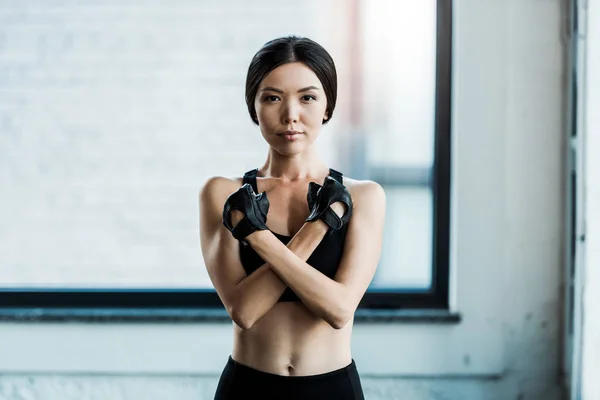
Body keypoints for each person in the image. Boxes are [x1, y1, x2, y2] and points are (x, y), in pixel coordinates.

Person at [199, 35, 386, 400]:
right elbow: (244, 311)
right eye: (272, 97)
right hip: (248, 387)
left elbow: (338, 309)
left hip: (332, 387)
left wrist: (257, 236)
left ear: (327, 106)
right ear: (253, 107)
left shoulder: (364, 196)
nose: (291, 115)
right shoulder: (223, 193)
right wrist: (319, 226)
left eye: (307, 97)